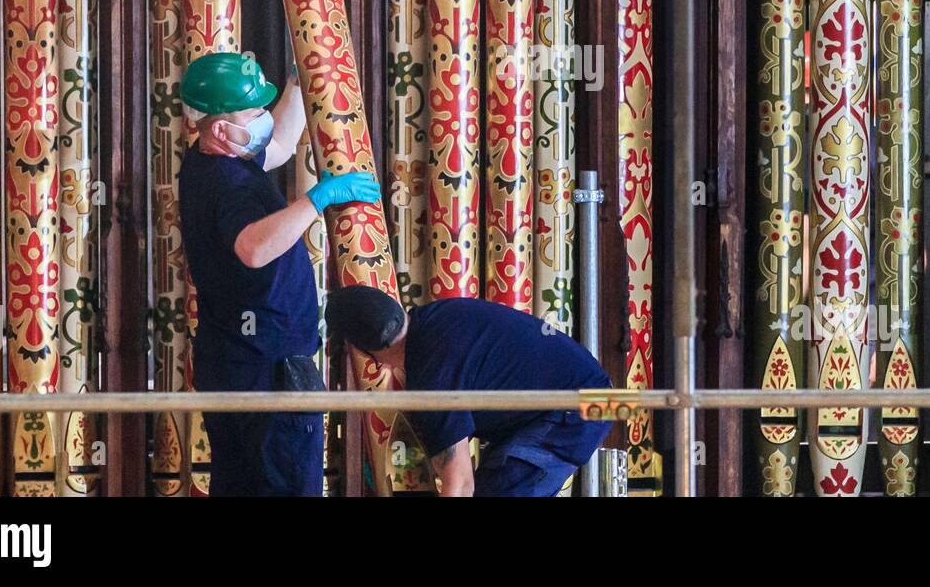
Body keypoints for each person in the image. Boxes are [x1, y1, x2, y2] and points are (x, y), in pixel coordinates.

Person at [178, 52, 381, 496]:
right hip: (264, 368)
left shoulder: (212, 159)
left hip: (235, 362)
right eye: (253, 113)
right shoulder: (225, 182)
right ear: (219, 128)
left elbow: (284, 144)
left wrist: (294, 82)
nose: (263, 120)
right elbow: (253, 248)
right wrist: (318, 200)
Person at [327, 286, 613, 497]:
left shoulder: (432, 375)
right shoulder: (436, 317)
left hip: (583, 406)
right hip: (591, 397)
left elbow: (459, 486)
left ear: (361, 350)